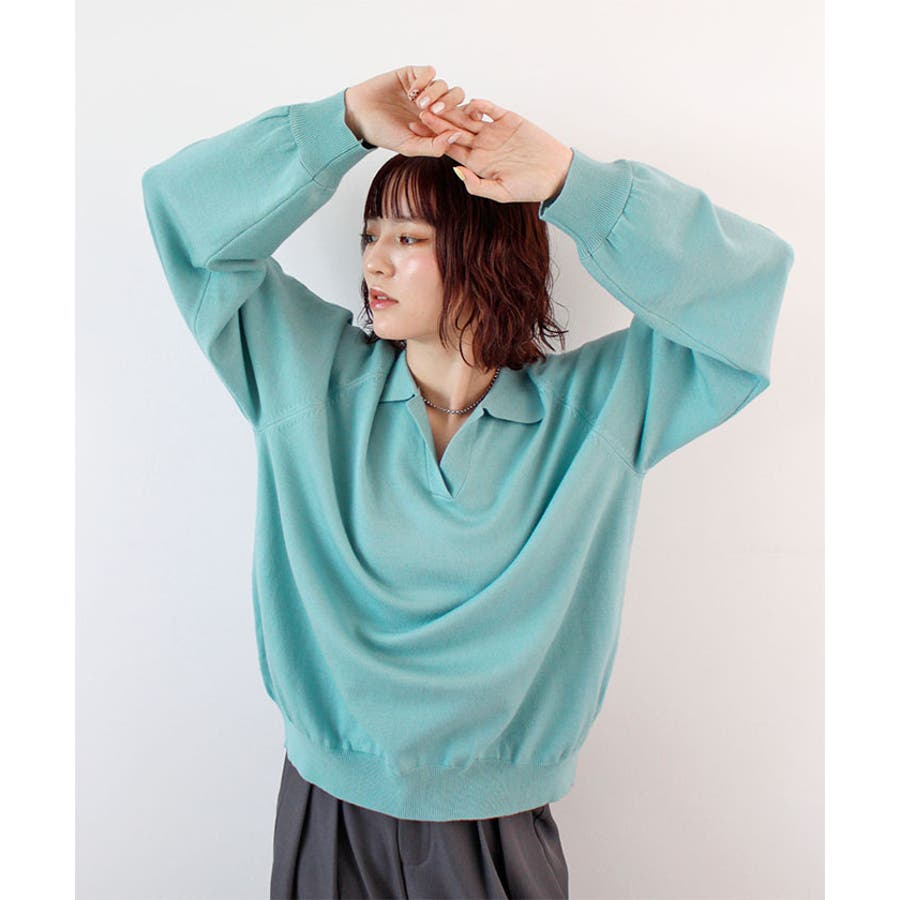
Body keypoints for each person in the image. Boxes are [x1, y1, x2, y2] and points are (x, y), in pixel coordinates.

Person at [141, 65, 795, 899]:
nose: (374, 262)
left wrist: (572, 184)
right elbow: (182, 210)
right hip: (326, 809)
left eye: (407, 239)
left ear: (482, 250)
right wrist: (341, 123)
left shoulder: (596, 413)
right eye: (370, 235)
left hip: (496, 829)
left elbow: (748, 292)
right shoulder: (303, 374)